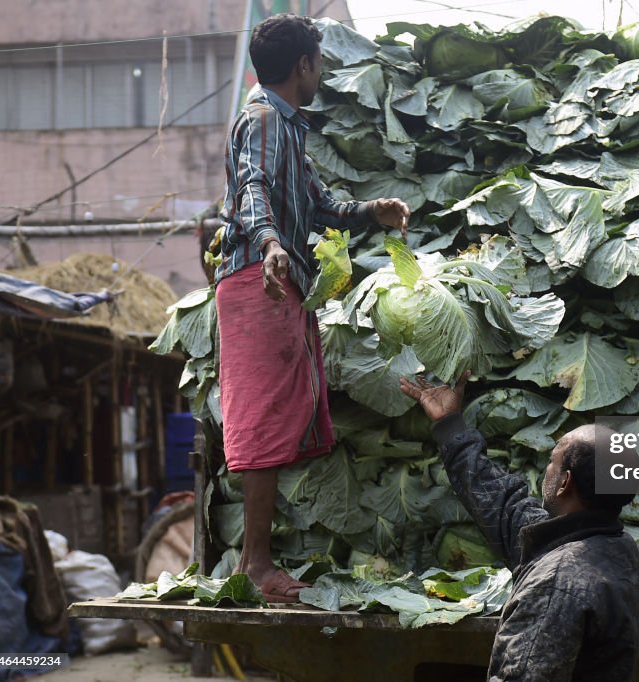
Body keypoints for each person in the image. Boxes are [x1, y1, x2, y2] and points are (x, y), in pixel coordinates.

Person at [215, 13, 411, 603]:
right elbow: (251, 187)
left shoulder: (285, 126)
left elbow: (319, 203)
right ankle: (254, 565)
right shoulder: (265, 117)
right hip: (259, 278)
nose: (321, 72)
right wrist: (271, 243)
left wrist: (371, 211)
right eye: (318, 62)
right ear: (304, 65)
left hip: (273, 279)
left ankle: (257, 558)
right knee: (262, 413)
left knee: (277, 412)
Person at [399, 373, 639, 681]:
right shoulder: (613, 545)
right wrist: (450, 425)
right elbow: (504, 507)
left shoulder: (556, 582)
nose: (547, 469)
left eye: (553, 461)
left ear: (565, 482)